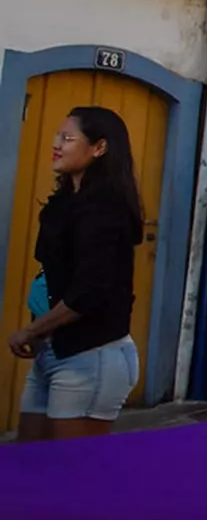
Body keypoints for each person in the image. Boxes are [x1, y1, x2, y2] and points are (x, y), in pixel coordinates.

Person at [9, 108, 143, 442]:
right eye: (57, 136)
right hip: (52, 350)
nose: (56, 144)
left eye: (68, 138)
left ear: (99, 148)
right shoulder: (67, 201)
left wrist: (30, 329)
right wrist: (41, 332)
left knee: (75, 474)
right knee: (31, 460)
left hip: (91, 356)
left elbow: (89, 292)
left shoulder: (104, 207)